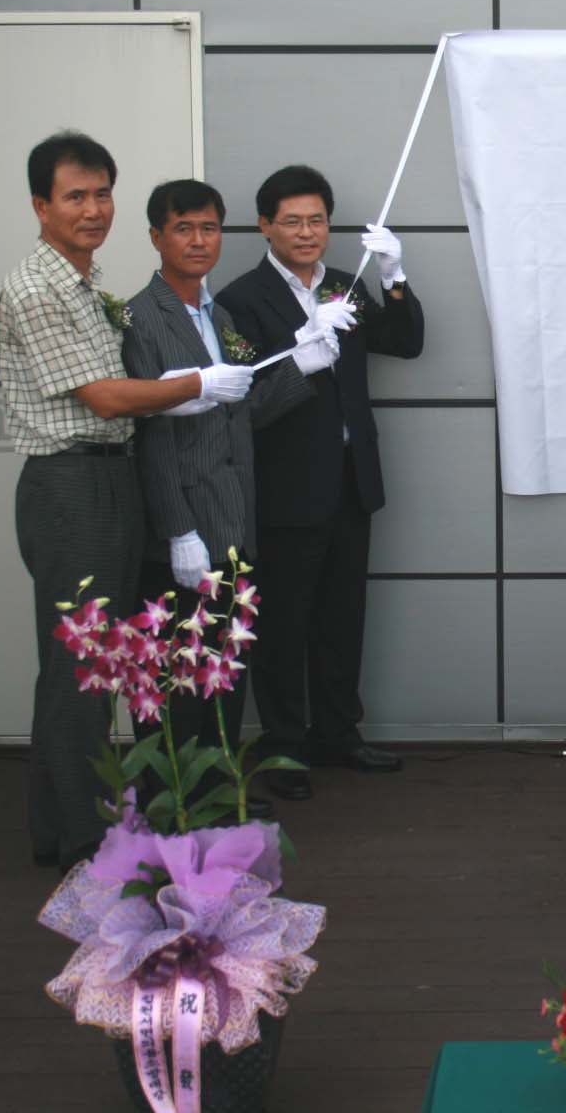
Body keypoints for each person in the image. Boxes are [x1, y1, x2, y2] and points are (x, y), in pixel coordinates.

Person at [0, 132, 255, 872]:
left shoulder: (85, 283)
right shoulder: (37, 287)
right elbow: (106, 399)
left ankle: (69, 827)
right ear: (40, 205)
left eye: (102, 193)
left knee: (99, 658)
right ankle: (80, 838)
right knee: (78, 664)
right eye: (74, 196)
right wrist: (196, 384)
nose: (92, 209)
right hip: (70, 484)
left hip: (111, 477)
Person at [120, 178, 349, 806]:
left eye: (209, 228)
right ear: (156, 237)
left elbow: (239, 415)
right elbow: (151, 433)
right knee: (177, 676)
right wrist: (177, 529)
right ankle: (172, 805)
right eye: (183, 229)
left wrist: (300, 364)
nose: (199, 241)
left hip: (234, 522)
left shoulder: (217, 316)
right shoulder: (142, 318)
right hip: (186, 526)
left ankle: (219, 795)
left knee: (222, 670)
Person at [217, 165, 424, 788]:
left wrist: (393, 276)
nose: (307, 232)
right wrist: (302, 359)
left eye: (317, 220)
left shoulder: (345, 286)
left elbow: (406, 342)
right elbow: (243, 407)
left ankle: (338, 734)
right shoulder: (239, 300)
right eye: (292, 221)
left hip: (351, 481)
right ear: (265, 226)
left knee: (342, 618)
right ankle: (283, 747)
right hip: (284, 488)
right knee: (282, 624)